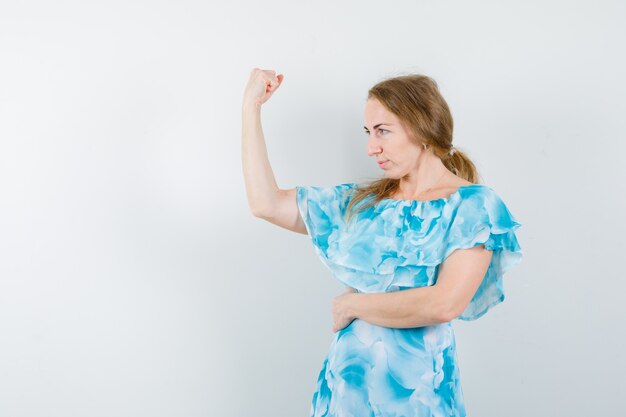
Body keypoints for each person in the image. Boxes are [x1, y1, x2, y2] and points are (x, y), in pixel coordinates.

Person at [241, 68, 523, 417]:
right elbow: (265, 203)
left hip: (420, 400)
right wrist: (251, 107)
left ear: (421, 129)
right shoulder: (363, 204)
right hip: (345, 395)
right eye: (368, 133)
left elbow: (443, 303)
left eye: (382, 132)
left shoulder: (473, 207)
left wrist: (353, 306)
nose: (371, 147)